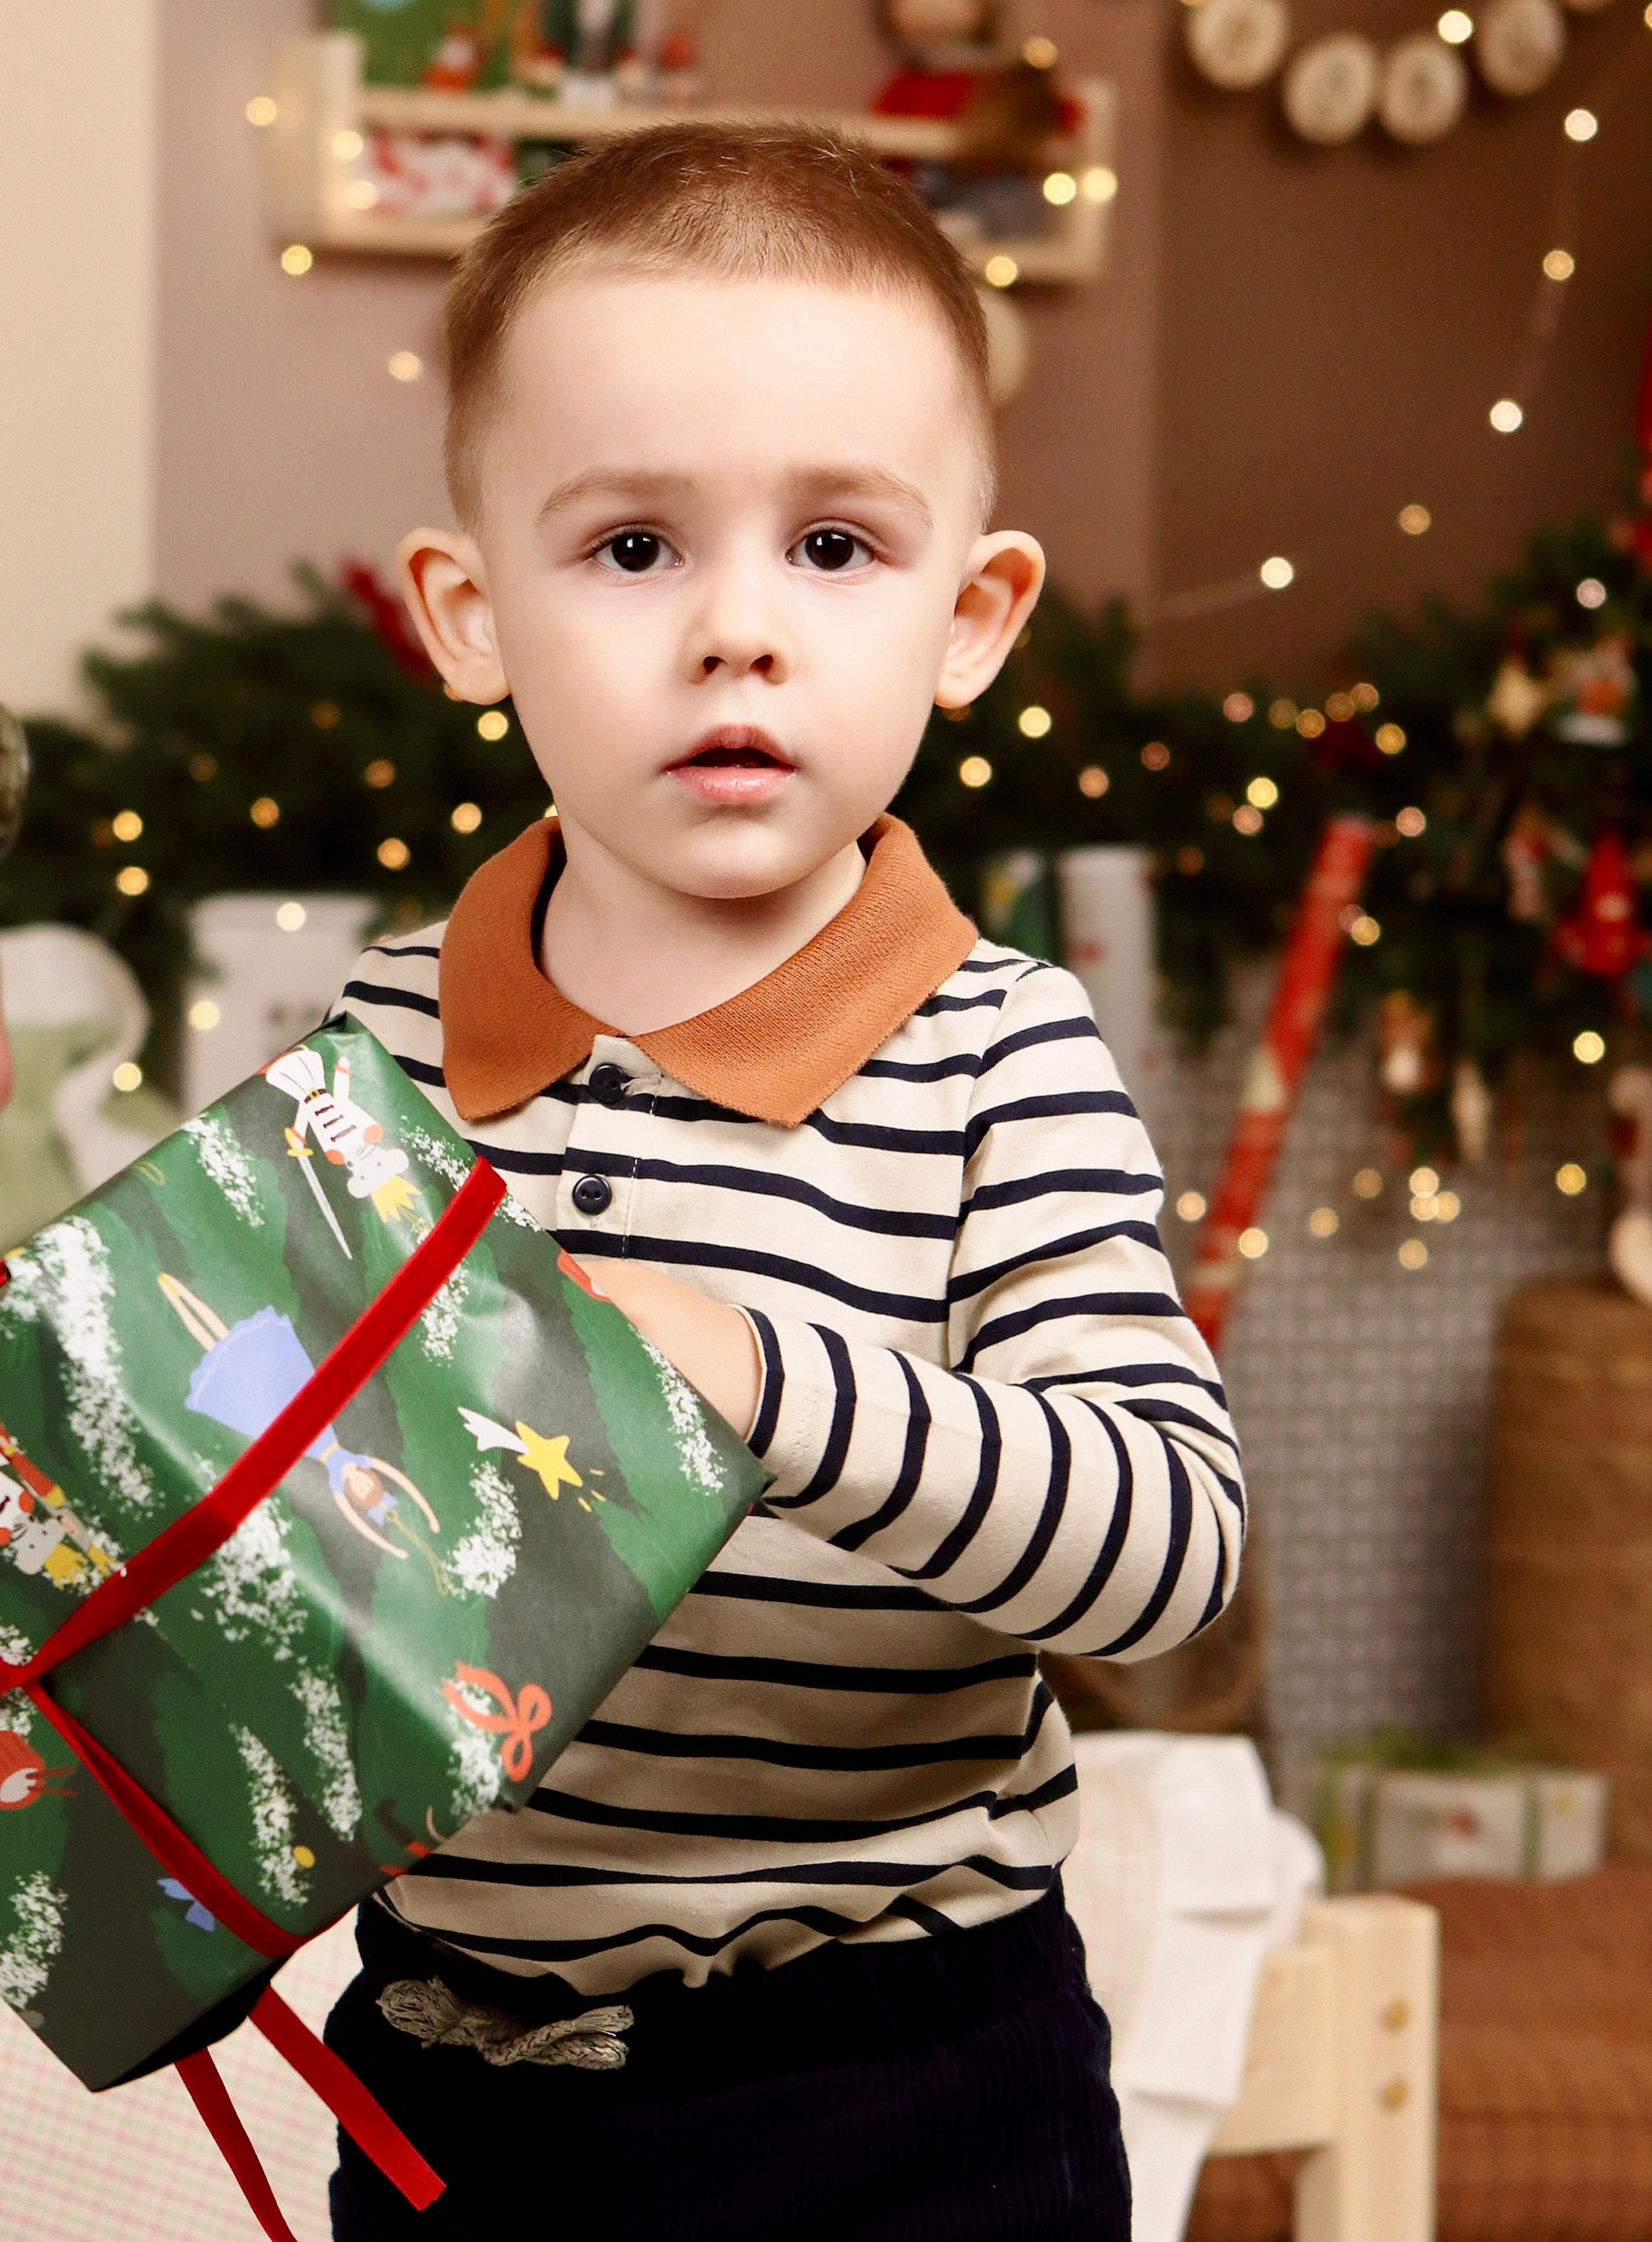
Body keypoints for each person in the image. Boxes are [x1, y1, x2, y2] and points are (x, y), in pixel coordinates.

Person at [327, 123, 1243, 2241]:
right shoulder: (388, 1034)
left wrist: (760, 1373)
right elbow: (309, 1532)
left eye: (834, 545)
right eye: (633, 546)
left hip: (895, 2074)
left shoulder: (1002, 1053)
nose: (738, 628)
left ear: (969, 615)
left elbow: (1169, 1554)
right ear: (470, 613)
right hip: (454, 2064)